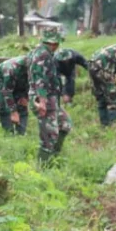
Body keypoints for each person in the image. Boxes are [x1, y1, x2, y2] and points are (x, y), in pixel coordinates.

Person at [27, 30, 71, 164]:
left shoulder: (44, 53)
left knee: (65, 124)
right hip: (44, 99)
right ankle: (43, 166)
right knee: (49, 135)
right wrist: (42, 102)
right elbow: (40, 79)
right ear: (53, 43)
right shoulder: (43, 55)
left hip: (51, 99)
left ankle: (54, 156)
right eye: (57, 43)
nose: (58, 46)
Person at [0, 56, 30, 134]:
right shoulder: (10, 69)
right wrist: (13, 112)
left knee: (22, 106)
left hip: (20, 81)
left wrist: (25, 97)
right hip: (2, 81)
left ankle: (21, 133)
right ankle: (8, 132)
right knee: (5, 106)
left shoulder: (36, 68)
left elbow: (33, 83)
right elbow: (6, 91)